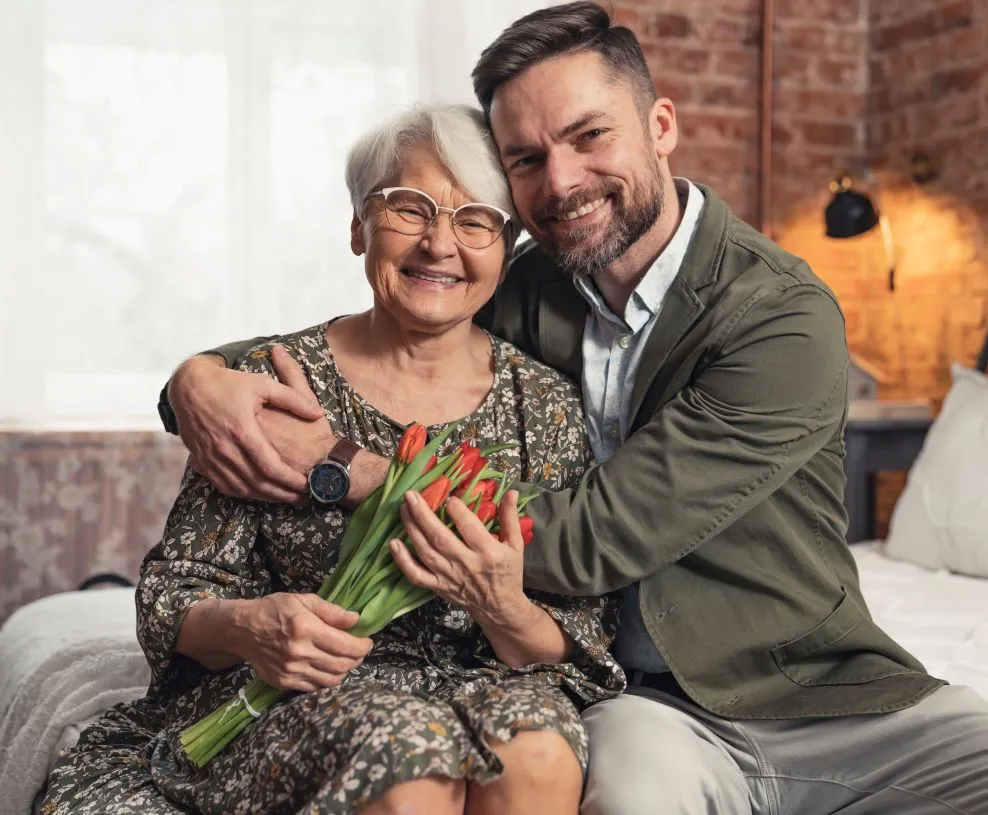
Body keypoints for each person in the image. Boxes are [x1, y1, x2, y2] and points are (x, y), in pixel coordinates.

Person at [159, 4, 988, 814]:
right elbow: (371, 330)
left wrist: (357, 470)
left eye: (588, 135)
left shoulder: (780, 315)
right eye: (526, 159)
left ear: (661, 126)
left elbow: (593, 532)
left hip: (817, 689)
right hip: (643, 702)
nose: (562, 181)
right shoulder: (526, 284)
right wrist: (194, 378)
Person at [42, 103, 622, 815]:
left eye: (475, 220)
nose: (440, 244)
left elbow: (576, 639)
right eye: (409, 208)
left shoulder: (546, 405)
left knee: (539, 754)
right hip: (302, 693)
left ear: (505, 250)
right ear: (357, 227)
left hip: (488, 681)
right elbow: (172, 599)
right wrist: (252, 627)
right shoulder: (272, 382)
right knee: (408, 764)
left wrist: (502, 606)